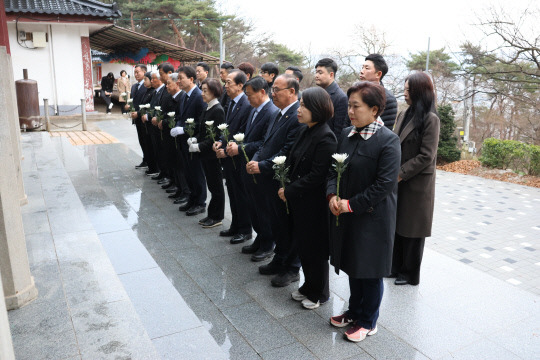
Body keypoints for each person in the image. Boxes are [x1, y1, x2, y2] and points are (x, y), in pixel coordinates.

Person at [327, 81, 400, 343]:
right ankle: (354, 311)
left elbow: (384, 185)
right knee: (353, 265)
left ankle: (369, 321)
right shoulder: (346, 134)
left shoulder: (388, 141)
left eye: (356, 106)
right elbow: (331, 170)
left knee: (369, 270)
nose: (350, 111)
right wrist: (333, 195)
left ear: (375, 109)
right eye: (349, 105)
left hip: (372, 218)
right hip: (347, 213)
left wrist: (350, 204)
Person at [277, 87, 337, 309]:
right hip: (299, 200)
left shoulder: (326, 137)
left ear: (317, 109)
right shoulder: (306, 130)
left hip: (314, 203)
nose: (299, 110)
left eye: (304, 105)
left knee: (316, 248)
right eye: (300, 104)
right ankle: (308, 285)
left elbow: (317, 176)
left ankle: (320, 292)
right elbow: (294, 161)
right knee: (303, 244)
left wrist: (290, 190)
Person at [246, 74, 303, 286]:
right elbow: (266, 144)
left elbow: (287, 152)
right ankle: (279, 259)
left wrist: (262, 165)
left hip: (283, 181)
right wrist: (255, 160)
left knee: (287, 225)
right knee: (276, 222)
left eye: (277, 89)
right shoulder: (278, 114)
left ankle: (291, 267)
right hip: (268, 178)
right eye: (273, 89)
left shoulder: (297, 116)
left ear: (292, 92)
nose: (273, 93)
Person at [391, 72, 440, 286]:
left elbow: (427, 155)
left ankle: (409, 274)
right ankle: (395, 267)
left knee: (412, 229)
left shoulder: (431, 119)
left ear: (419, 92)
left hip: (417, 182)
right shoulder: (403, 114)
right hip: (399, 179)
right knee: (398, 224)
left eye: (408, 90)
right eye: (405, 89)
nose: (405, 93)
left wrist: (401, 172)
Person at [226, 76, 279, 255]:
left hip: (259, 166)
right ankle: (260, 238)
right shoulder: (254, 109)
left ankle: (267, 243)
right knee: (252, 206)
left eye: (249, 95)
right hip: (247, 164)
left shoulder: (271, 112)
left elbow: (264, 142)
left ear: (262, 92)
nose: (247, 99)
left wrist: (241, 148)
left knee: (263, 208)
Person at [213, 70, 253, 244]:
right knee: (233, 192)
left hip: (238, 157)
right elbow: (227, 129)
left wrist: (228, 150)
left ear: (240, 85)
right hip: (229, 155)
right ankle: (236, 225)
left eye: (229, 83)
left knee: (241, 194)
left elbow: (243, 133)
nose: (226, 86)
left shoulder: (246, 104)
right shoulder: (231, 102)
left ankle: (245, 230)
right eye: (226, 82)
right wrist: (220, 142)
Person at [170, 66, 207, 216]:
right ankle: (192, 199)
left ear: (191, 79)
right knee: (188, 172)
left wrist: (184, 130)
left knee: (197, 173)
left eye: (181, 78)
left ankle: (200, 202)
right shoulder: (185, 95)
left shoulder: (199, 96)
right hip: (183, 142)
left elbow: (201, 121)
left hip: (193, 141)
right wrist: (178, 126)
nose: (178, 81)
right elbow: (181, 116)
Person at [190, 78, 226, 228]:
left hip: (212, 155)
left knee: (216, 187)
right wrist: (194, 139)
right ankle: (212, 214)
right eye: (202, 90)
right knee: (212, 185)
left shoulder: (218, 110)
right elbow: (202, 131)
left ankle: (217, 216)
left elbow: (215, 137)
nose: (202, 94)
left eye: (205, 91)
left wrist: (199, 146)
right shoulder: (207, 108)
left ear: (214, 91)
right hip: (205, 154)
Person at [359, 54, 398, 129]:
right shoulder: (356, 94)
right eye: (362, 67)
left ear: (378, 74)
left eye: (367, 68)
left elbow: (385, 131)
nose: (361, 71)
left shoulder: (388, 99)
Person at [315, 58, 348, 137]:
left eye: (320, 73)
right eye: (316, 72)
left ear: (331, 75)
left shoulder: (340, 97)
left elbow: (339, 130)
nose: (316, 76)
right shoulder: (317, 93)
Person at [127, 65, 151, 169]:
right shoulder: (134, 86)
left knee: (147, 141)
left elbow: (148, 103)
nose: (136, 74)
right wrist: (129, 106)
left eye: (138, 72)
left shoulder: (147, 87)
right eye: (135, 72)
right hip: (136, 118)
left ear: (144, 72)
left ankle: (150, 161)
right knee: (141, 140)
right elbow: (133, 101)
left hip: (144, 118)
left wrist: (139, 112)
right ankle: (145, 159)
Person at [138, 71, 159, 176]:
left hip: (151, 123)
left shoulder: (154, 92)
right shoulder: (148, 91)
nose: (147, 81)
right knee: (147, 145)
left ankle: (155, 168)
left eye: (146, 79)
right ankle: (151, 166)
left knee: (153, 147)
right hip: (145, 123)